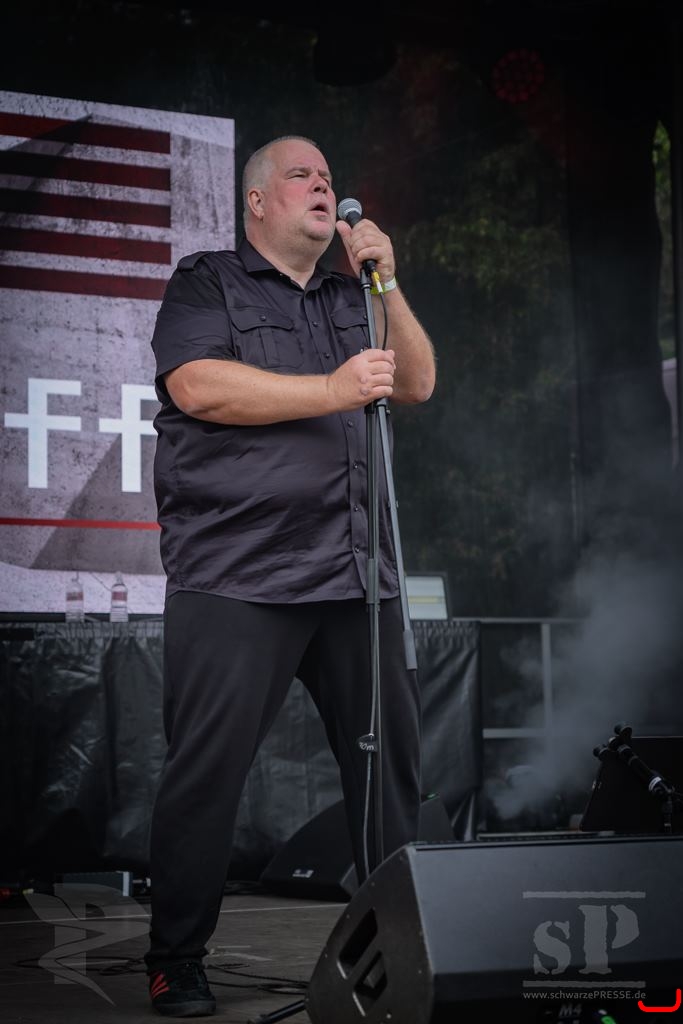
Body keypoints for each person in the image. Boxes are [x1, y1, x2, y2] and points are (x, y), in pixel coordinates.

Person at [144, 135, 436, 1017]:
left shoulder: (355, 296)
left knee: (388, 778)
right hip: (239, 571)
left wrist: (386, 281)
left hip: (357, 572)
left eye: (329, 177)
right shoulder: (207, 282)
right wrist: (331, 390)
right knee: (207, 773)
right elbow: (198, 387)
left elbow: (417, 383)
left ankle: (408, 949)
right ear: (257, 202)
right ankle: (176, 958)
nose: (323, 186)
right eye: (302, 176)